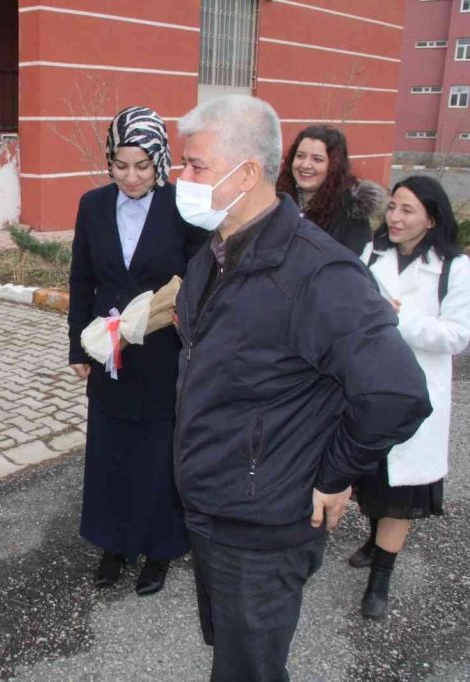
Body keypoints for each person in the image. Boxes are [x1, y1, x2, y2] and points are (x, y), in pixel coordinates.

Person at [173, 95, 431, 681]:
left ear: (246, 174)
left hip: (264, 528)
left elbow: (396, 393)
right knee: (234, 657)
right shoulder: (216, 253)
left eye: (195, 166)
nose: (180, 178)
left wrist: (335, 472)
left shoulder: (318, 273)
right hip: (212, 507)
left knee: (250, 671)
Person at [68, 106, 206, 592]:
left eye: (142, 166)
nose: (130, 176)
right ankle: (114, 544)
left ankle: (159, 550)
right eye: (121, 165)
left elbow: (200, 279)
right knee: (111, 452)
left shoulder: (182, 208)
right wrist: (78, 349)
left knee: (157, 456)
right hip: (108, 354)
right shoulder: (92, 205)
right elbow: (82, 279)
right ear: (109, 162)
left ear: (160, 162)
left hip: (164, 353)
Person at [349, 176, 470, 620]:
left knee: (401, 492)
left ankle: (380, 577)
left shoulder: (455, 268)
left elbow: (457, 337)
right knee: (373, 480)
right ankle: (372, 539)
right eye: (393, 208)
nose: (395, 218)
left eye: (408, 210)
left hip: (417, 395)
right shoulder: (371, 255)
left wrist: (401, 319)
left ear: (432, 218)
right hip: (370, 389)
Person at [276, 125, 384, 255]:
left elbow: (353, 268)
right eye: (300, 156)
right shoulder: (277, 200)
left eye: (317, 159)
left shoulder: (349, 212)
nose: (305, 165)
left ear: (334, 165)